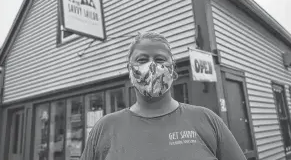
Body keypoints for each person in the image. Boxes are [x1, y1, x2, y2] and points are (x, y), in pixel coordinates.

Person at [80, 32, 246, 160]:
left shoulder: (207, 120)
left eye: (160, 59)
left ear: (172, 69)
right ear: (130, 69)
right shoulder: (104, 128)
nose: (152, 66)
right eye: (142, 59)